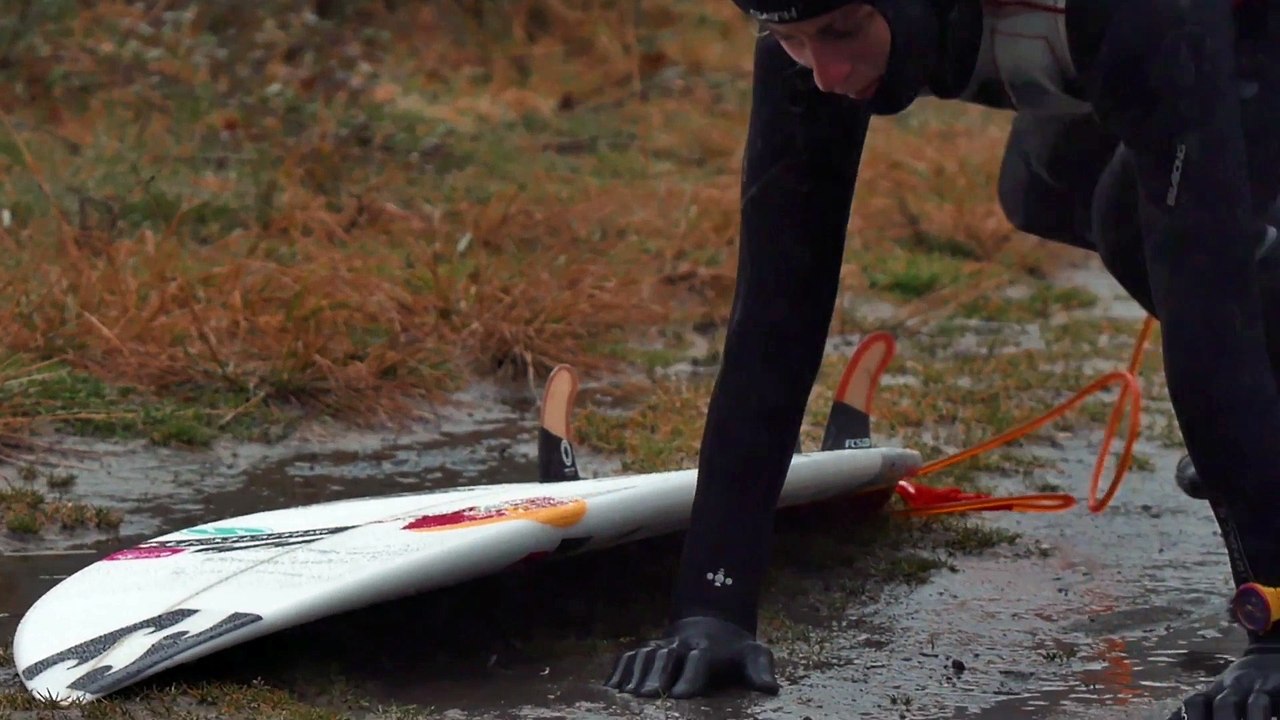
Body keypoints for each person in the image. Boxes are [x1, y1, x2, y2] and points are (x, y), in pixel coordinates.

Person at [600, 0, 1280, 717]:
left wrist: (1273, 625)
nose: (826, 73)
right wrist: (712, 607)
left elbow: (1209, 308)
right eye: (790, 40)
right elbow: (776, 303)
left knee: (1147, 230)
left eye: (841, 33)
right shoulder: (818, 25)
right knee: (1042, 188)